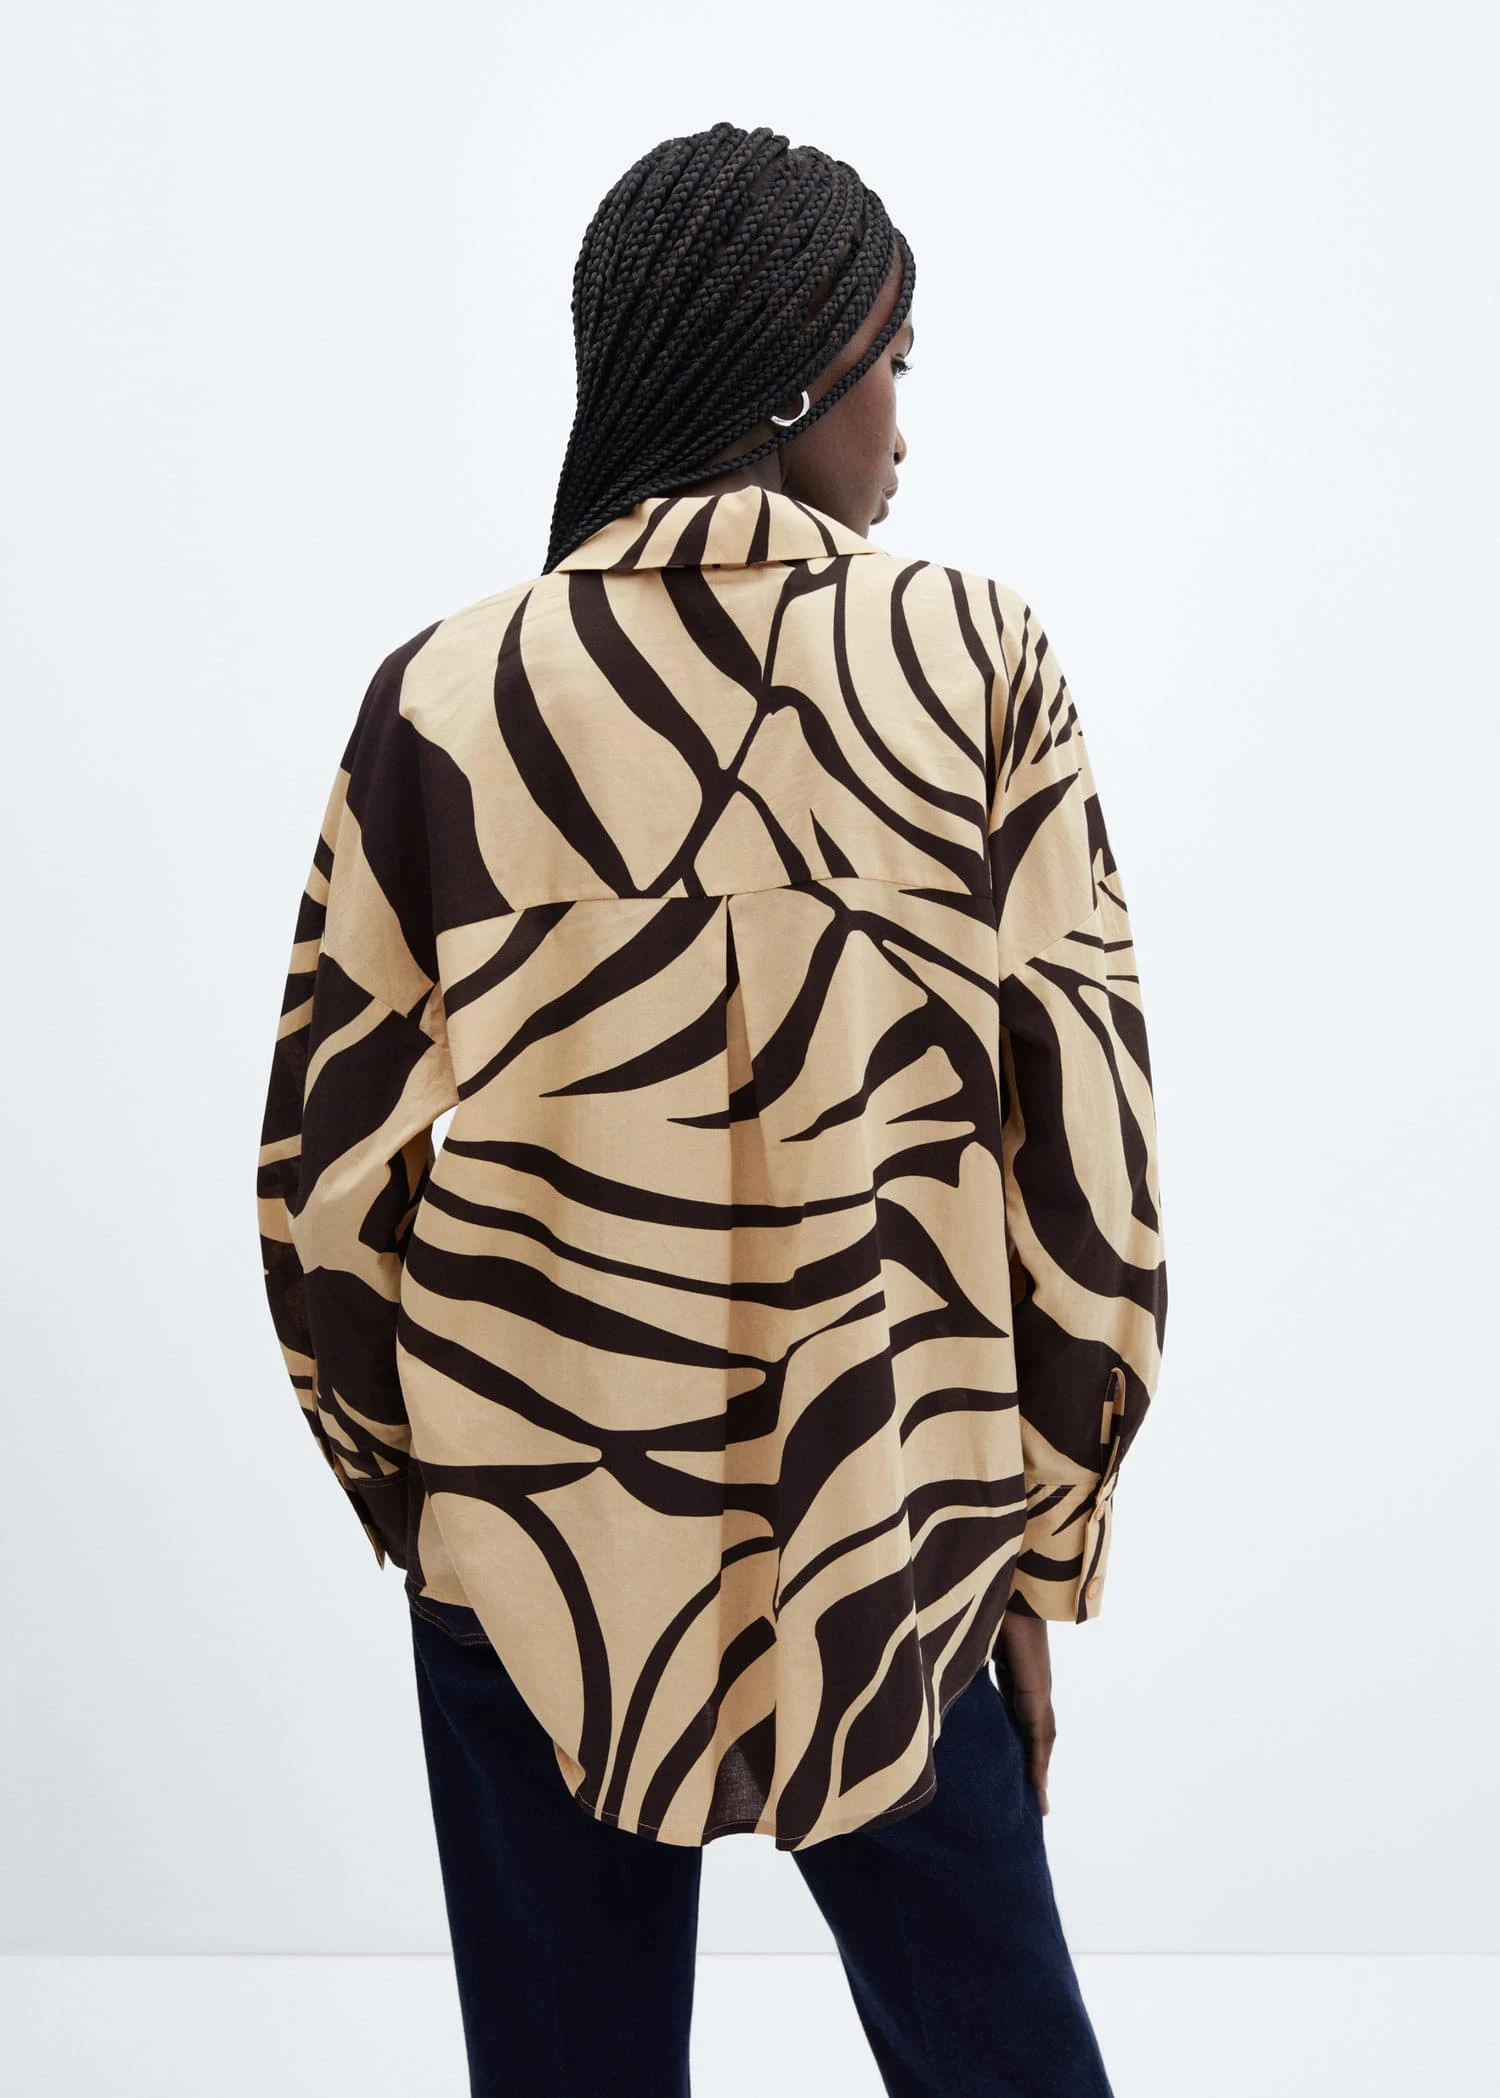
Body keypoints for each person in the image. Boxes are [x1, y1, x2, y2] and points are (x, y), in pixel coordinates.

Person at [256, 120, 1168, 2098]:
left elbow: (323, 1185)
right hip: (894, 1521)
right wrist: (1039, 1535)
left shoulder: (447, 695)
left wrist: (433, 1507)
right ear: (798, 368)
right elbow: (1087, 1157)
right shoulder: (978, 660)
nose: (906, 423)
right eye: (894, 361)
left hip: (534, 1535)